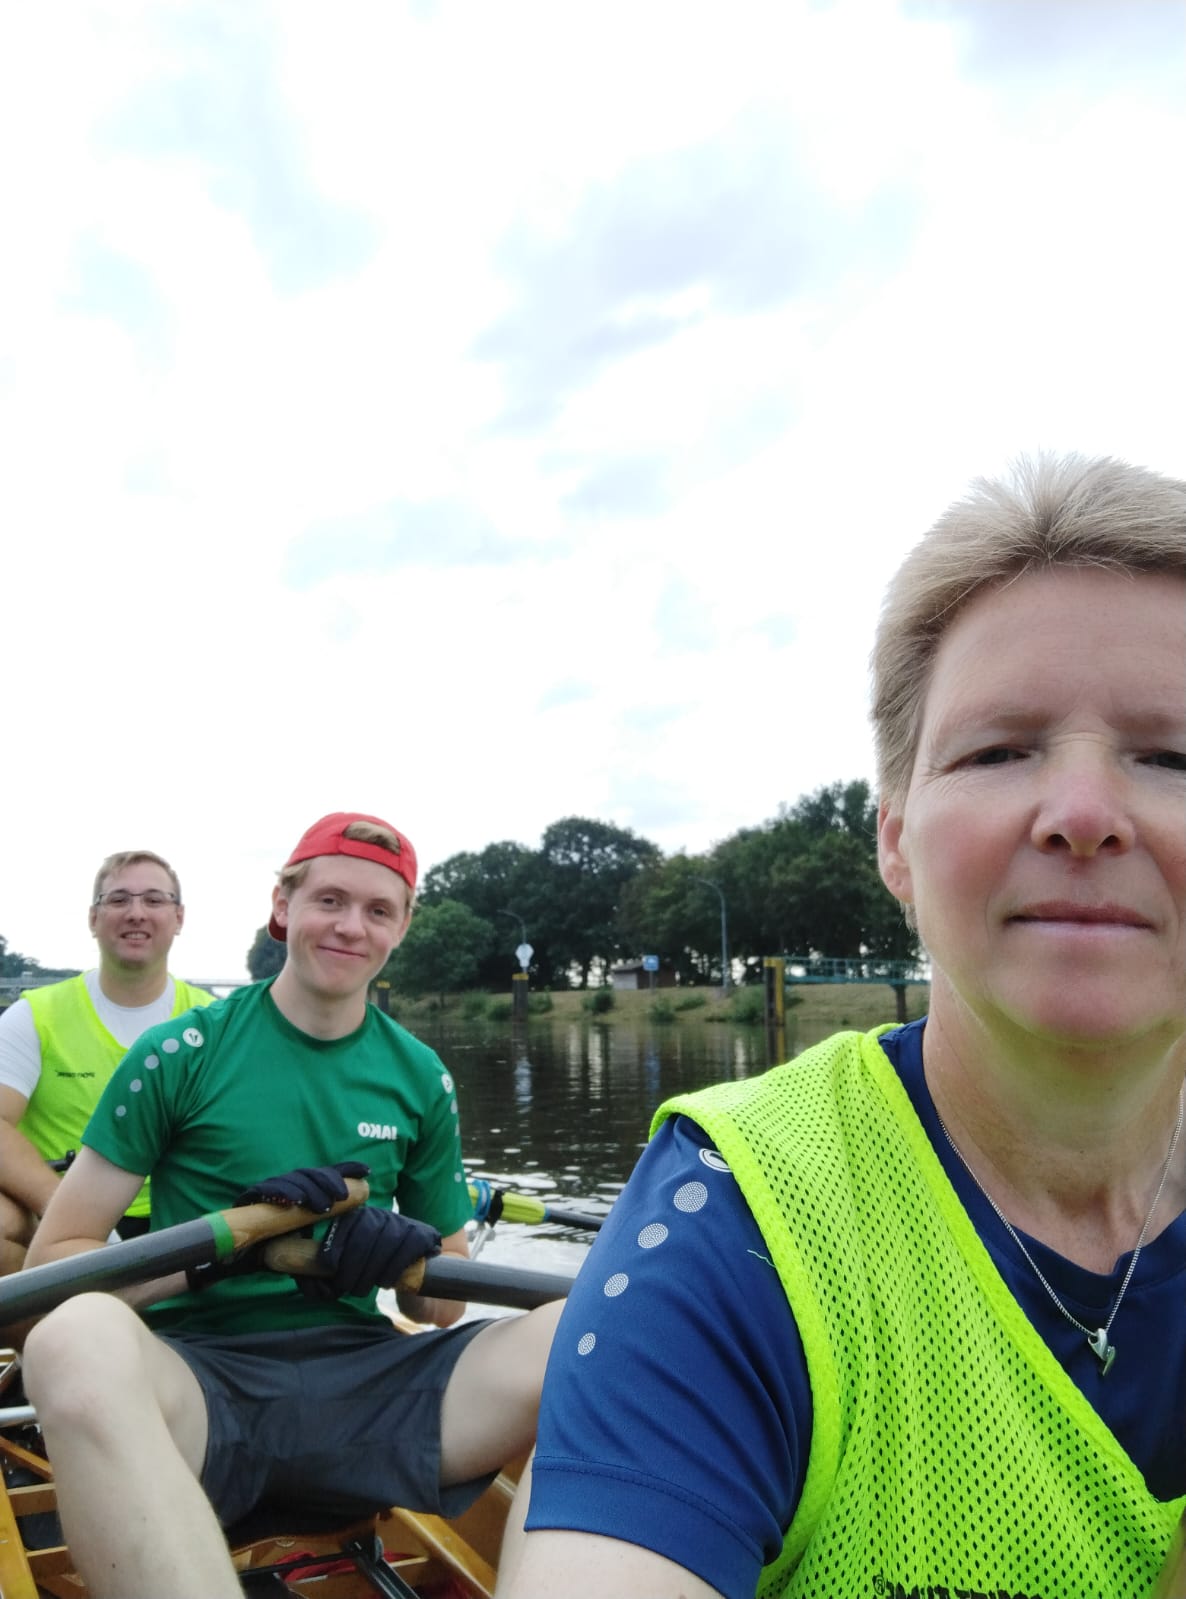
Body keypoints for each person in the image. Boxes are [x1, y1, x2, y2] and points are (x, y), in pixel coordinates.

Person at [499, 455, 1186, 1599]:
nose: (1081, 815)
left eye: (1171, 756)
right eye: (998, 751)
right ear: (895, 842)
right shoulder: (735, 1216)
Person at [20, 812, 562, 1599]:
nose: (351, 926)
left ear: (402, 927)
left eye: (378, 909)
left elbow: (440, 1305)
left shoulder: (421, 1076)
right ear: (283, 905)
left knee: (594, 1333)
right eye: (330, 900)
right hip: (203, 1385)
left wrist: (404, 1253)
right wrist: (215, 1257)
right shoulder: (179, 1052)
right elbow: (50, 1267)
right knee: (71, 1336)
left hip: (371, 1380)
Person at [0, 850, 212, 1274]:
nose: (136, 913)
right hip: (59, 1217)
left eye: (154, 900)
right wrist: (65, 1208)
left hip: (179, 1219)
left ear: (179, 918)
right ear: (93, 918)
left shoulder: (213, 1022)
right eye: (118, 900)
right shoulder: (34, 1015)